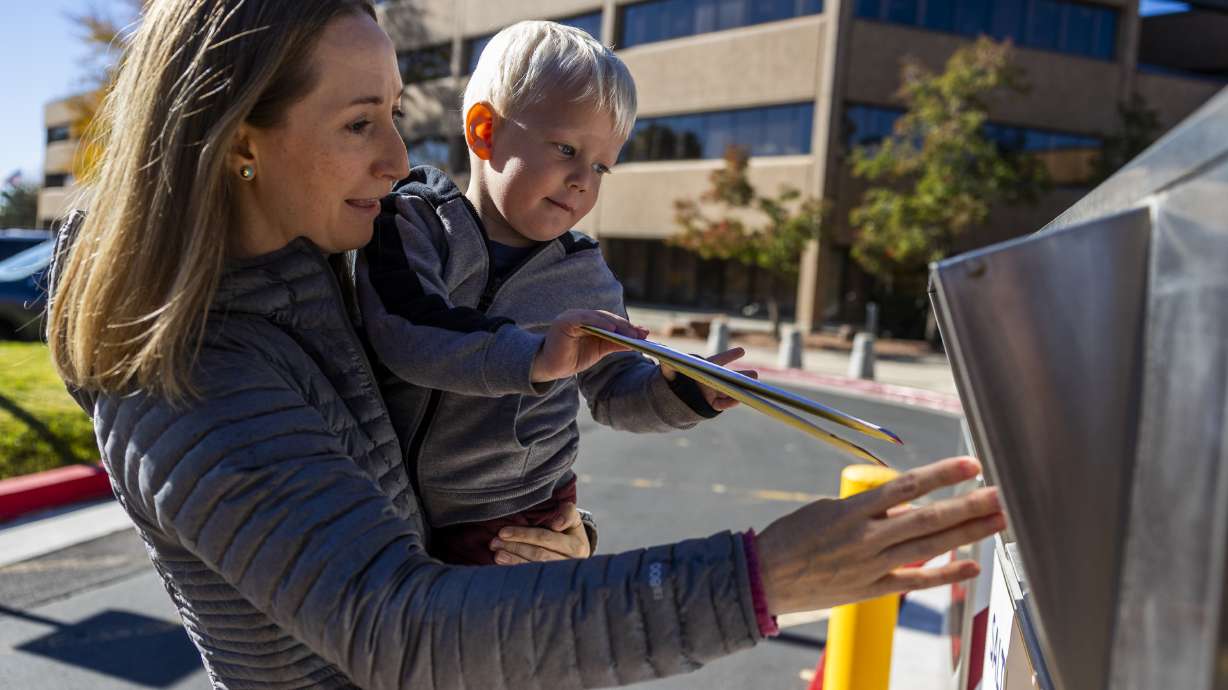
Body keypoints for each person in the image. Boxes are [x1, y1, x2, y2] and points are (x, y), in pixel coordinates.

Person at [46, 2, 1006, 688]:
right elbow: (392, 625)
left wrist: (559, 543)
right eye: (358, 122)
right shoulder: (188, 378)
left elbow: (442, 491)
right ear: (238, 140)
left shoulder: (330, 265)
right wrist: (762, 580)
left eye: (392, 114)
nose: (396, 157)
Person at [357, 20, 752, 566]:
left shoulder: (585, 273)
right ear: (483, 131)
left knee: (497, 644)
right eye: (566, 148)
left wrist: (681, 393)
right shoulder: (413, 222)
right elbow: (407, 329)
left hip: (518, 517)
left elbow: (615, 391)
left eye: (599, 167)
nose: (582, 180)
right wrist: (536, 357)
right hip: (387, 505)